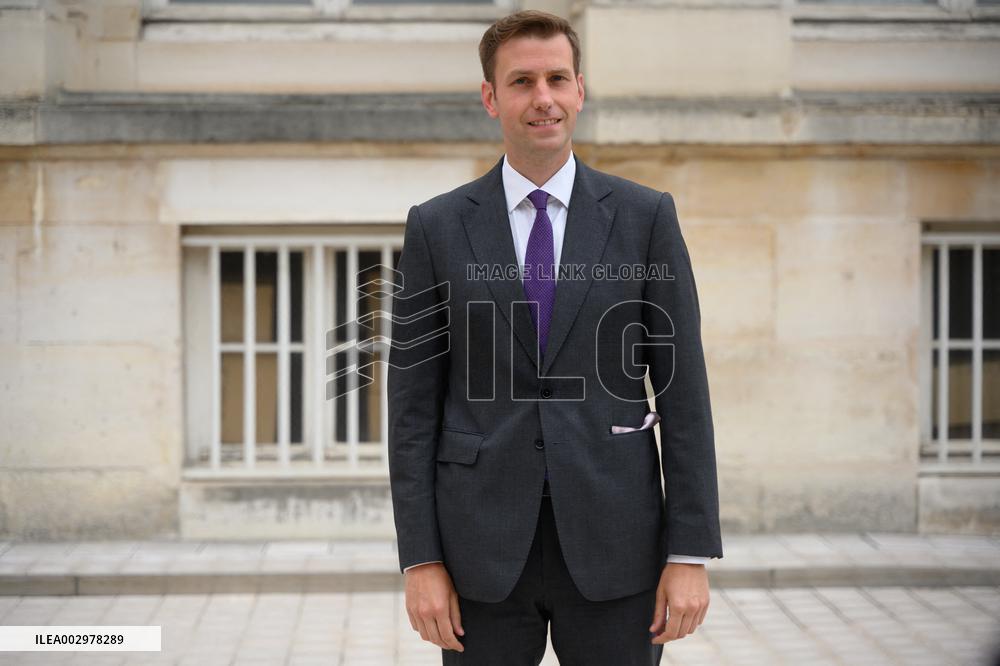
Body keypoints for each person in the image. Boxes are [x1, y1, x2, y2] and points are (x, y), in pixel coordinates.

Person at [387, 10, 722, 665]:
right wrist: (420, 559)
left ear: (579, 90)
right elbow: (411, 409)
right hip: (478, 559)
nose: (543, 97)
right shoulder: (436, 228)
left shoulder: (645, 218)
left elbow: (684, 393)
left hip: (618, 552)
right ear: (490, 97)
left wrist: (689, 552)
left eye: (557, 79)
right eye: (521, 81)